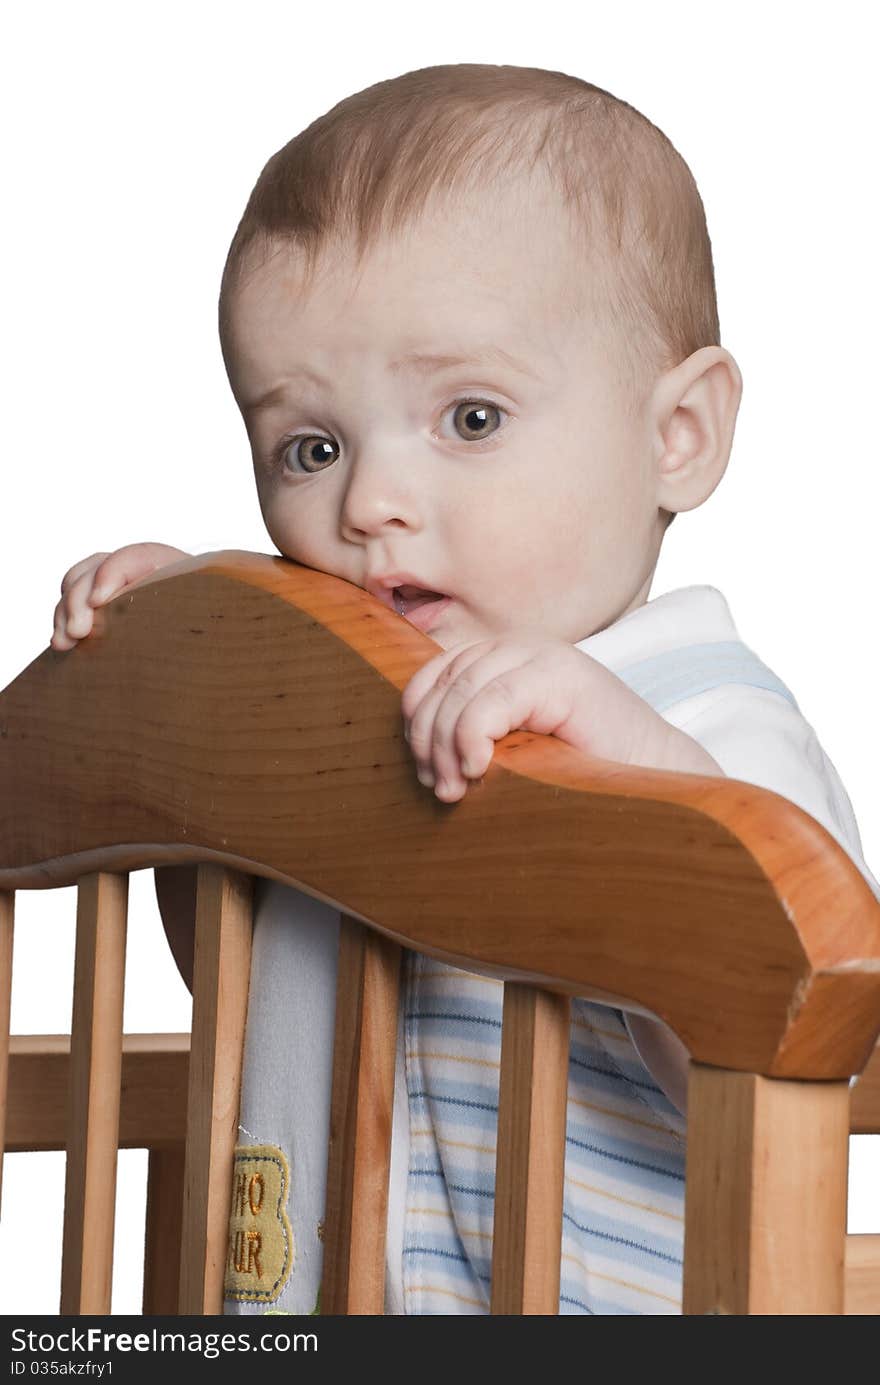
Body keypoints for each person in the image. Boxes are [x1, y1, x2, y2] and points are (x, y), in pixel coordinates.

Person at [49, 64, 879, 1314]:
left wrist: (629, 762)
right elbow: (239, 972)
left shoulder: (708, 717)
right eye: (311, 447)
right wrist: (209, 670)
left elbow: (798, 1011)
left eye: (471, 417)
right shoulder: (349, 719)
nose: (368, 500)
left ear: (679, 436)